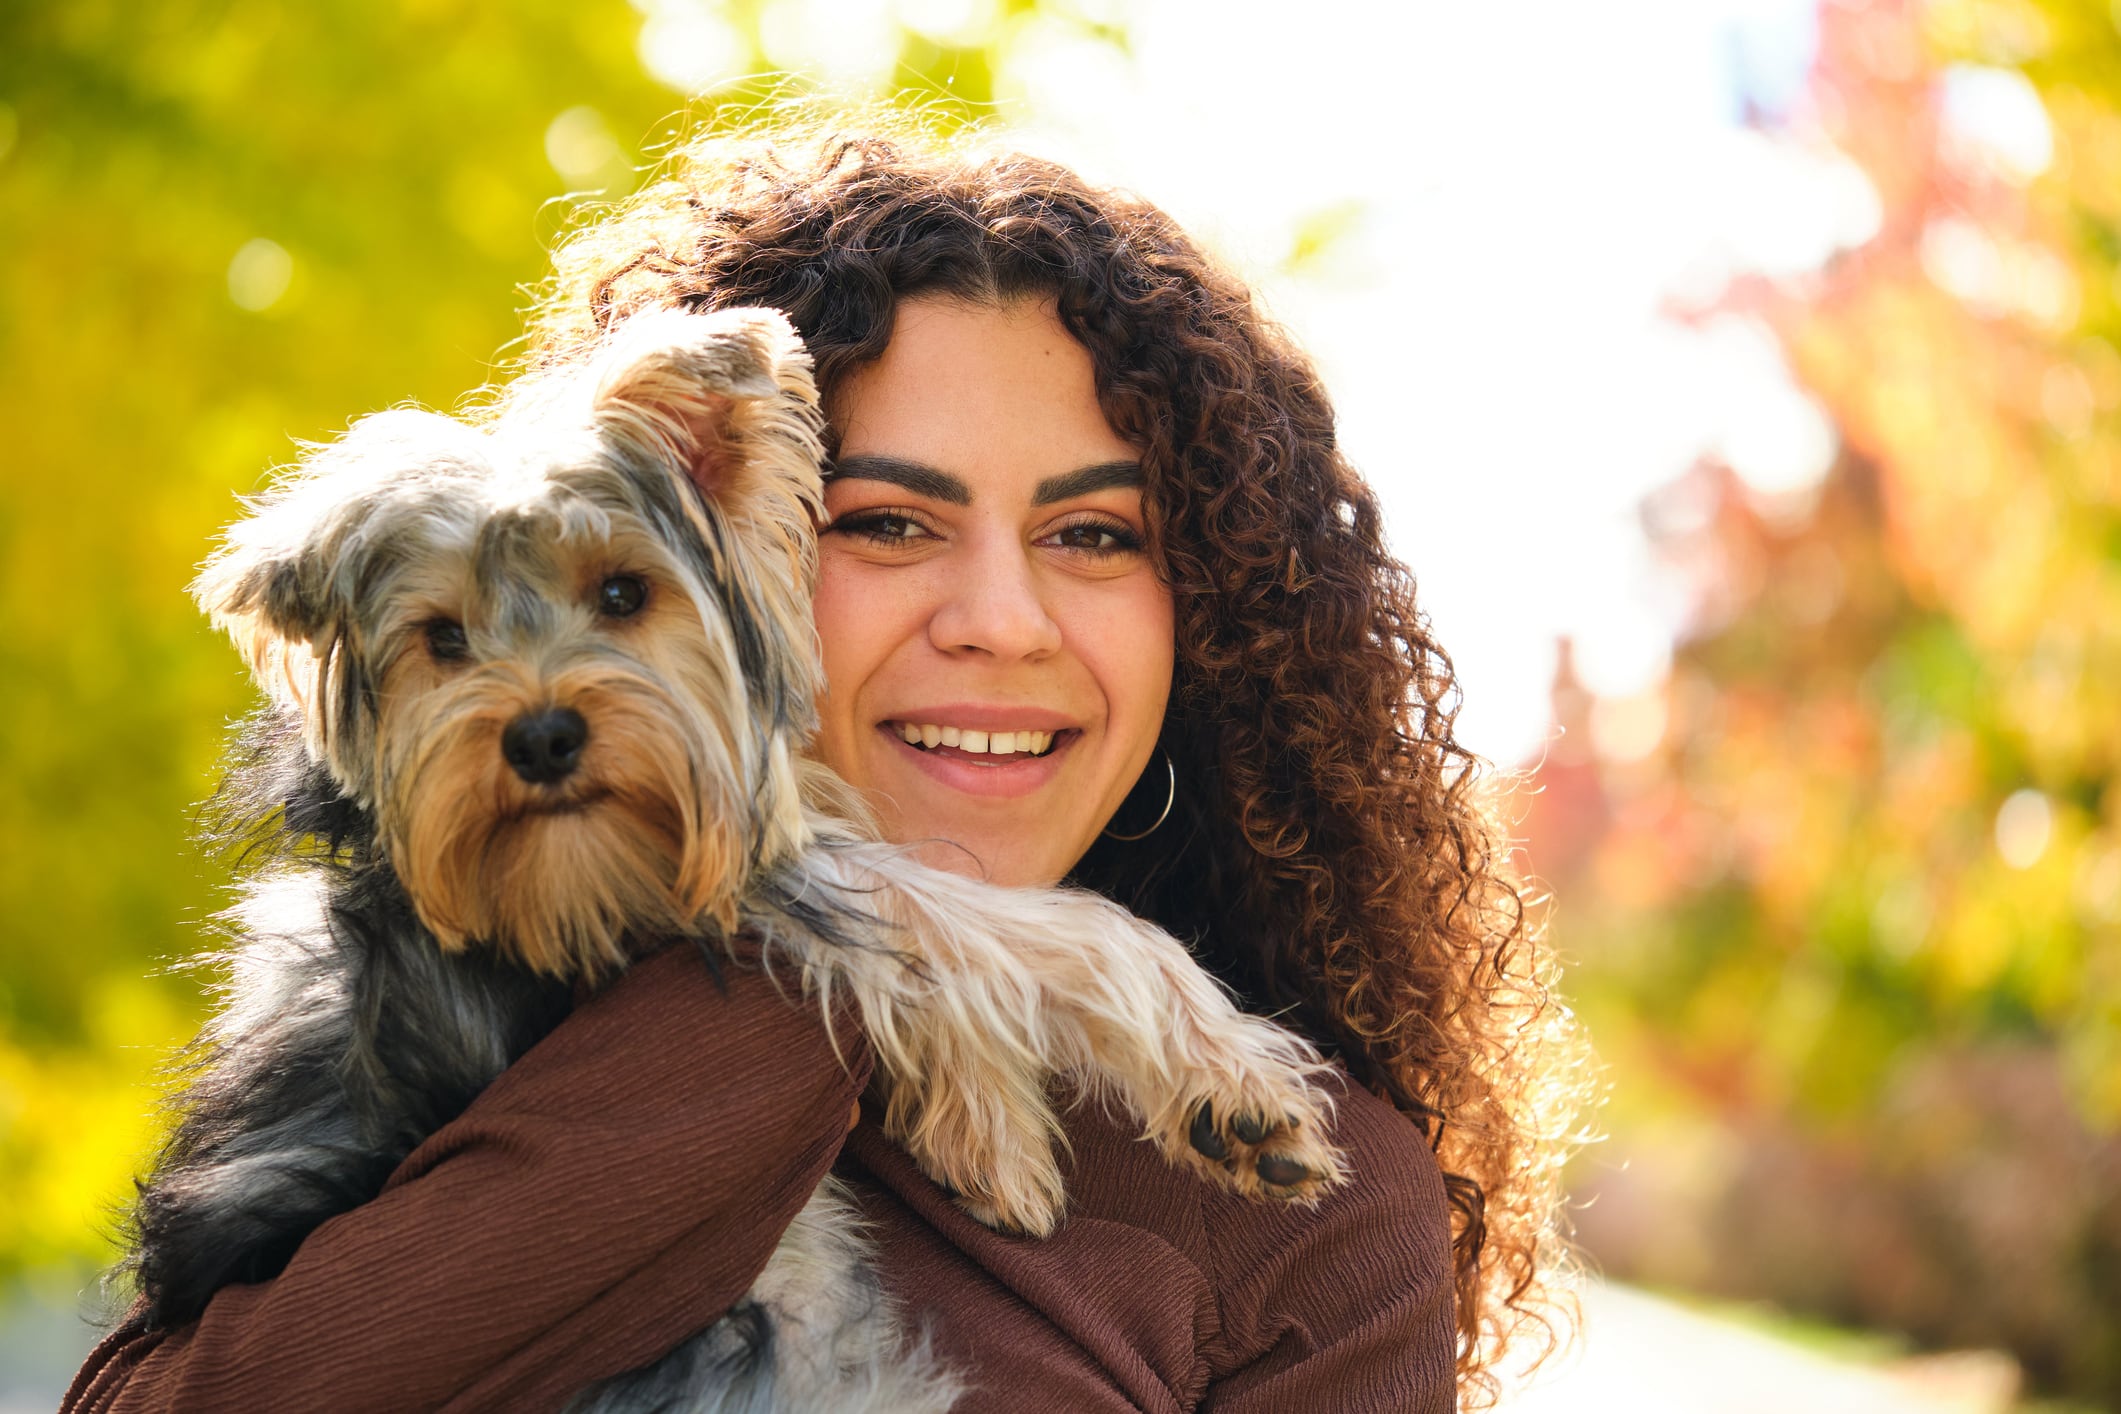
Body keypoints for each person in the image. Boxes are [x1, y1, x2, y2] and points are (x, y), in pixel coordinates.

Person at [65, 120, 1583, 1412]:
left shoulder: (1311, 1212)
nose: (997, 620)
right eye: (888, 522)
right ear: (731, 556)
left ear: (1214, 622)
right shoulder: (436, 1004)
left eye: (1095, 535)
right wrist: (810, 977)